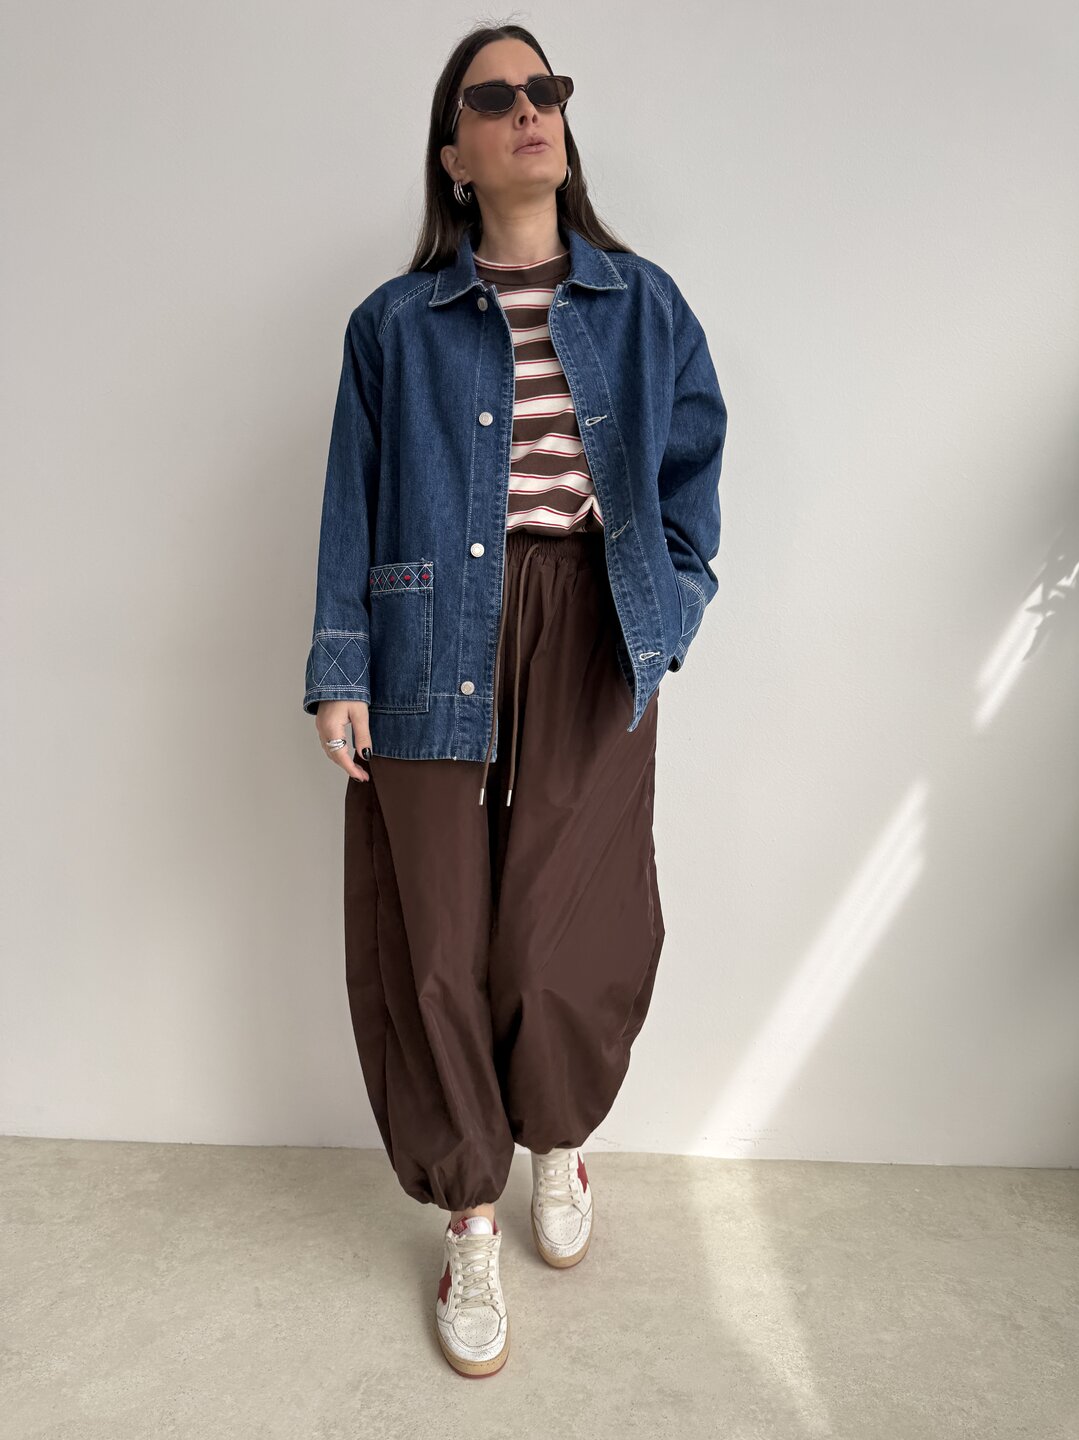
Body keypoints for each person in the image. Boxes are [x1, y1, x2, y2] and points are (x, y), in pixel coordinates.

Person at [303, 23, 727, 1378]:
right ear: (456, 153)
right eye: (496, 97)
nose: (529, 109)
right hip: (431, 622)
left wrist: (672, 604)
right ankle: (469, 1218)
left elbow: (690, 482)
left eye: (545, 89)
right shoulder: (392, 325)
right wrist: (340, 669)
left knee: (559, 929)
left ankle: (557, 1138)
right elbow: (350, 502)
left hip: (591, 624)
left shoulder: (645, 306)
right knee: (434, 932)